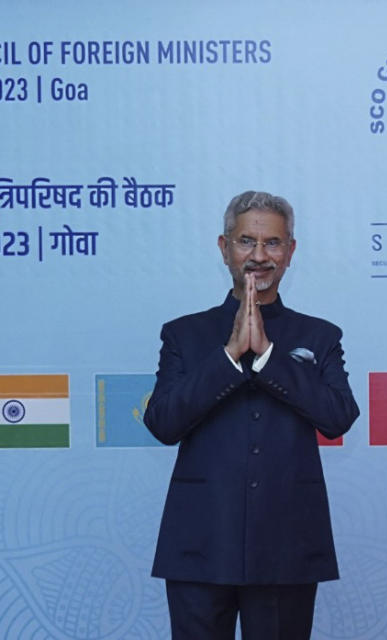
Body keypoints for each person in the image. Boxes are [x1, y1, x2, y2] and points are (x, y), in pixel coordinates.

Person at [144, 190, 360, 639]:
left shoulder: (319, 335)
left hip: (288, 545)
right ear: (224, 248)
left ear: (290, 252)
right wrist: (228, 355)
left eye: (273, 244)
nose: (259, 256)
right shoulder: (184, 334)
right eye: (246, 242)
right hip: (199, 543)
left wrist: (266, 357)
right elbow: (163, 422)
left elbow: (338, 416)